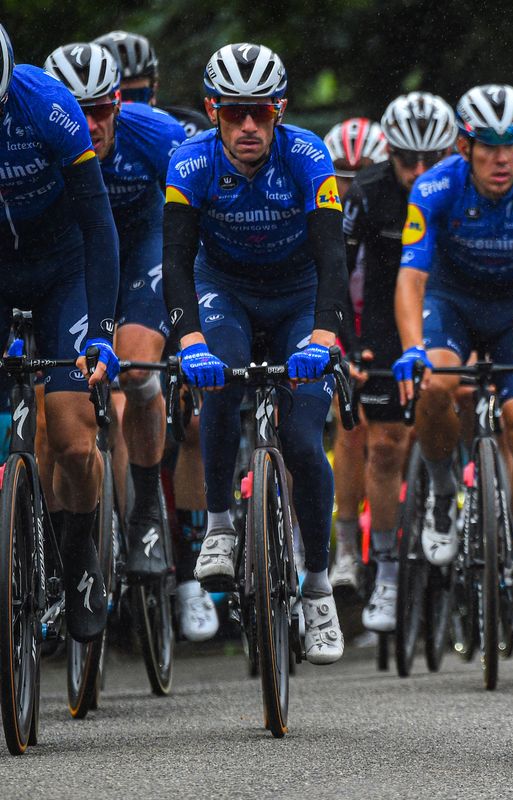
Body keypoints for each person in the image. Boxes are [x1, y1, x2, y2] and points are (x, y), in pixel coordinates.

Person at [161, 43, 349, 664]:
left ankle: (318, 588)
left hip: (299, 298)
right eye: (235, 113)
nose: (248, 127)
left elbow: (331, 260)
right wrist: (189, 342)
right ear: (213, 110)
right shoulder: (188, 163)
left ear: (280, 112)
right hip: (225, 293)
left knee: (302, 438)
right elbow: (176, 262)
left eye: (261, 114)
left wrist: (323, 336)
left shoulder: (307, 156)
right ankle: (218, 524)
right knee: (218, 385)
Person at [391, 84, 513, 633]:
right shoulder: (435, 185)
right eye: (486, 144)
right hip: (454, 304)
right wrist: (412, 350)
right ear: (463, 146)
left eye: (510, 142)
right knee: (436, 385)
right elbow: (411, 279)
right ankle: (444, 491)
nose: (500, 156)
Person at [43, 43, 196, 620]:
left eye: (104, 109)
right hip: (75, 263)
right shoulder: (40, 141)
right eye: (78, 110)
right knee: (51, 409)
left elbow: (198, 214)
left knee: (133, 366)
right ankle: (51, 556)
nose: (92, 124)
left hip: (141, 256)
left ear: (119, 104)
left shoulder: (154, 133)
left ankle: (147, 499)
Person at [0, 24, 120, 643]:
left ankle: (79, 562)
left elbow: (100, 228)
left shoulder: (49, 106)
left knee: (74, 438)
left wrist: (101, 332)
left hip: (61, 269)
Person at [341, 93, 457, 632]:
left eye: (431, 159)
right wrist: (344, 342)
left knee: (469, 398)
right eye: (407, 159)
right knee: (384, 445)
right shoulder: (367, 193)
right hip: (387, 321)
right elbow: (337, 273)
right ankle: (385, 570)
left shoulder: (465, 184)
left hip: (452, 310)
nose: (418, 172)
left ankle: (459, 500)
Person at [321, 115, 389, 604]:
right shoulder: (322, 217)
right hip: (339, 326)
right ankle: (345, 547)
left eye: (360, 173)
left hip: (385, 329)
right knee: (351, 425)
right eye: (341, 175)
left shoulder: (392, 208)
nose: (350, 186)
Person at [93, 30, 210, 137]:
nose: (130, 111)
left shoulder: (188, 126)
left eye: (138, 96)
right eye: (117, 101)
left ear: (154, 90)